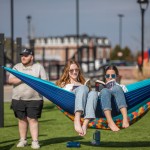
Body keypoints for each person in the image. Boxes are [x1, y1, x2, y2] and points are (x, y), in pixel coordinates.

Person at [8, 48, 48, 149]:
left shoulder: (39, 67)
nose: (23, 57)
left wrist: (32, 80)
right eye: (22, 55)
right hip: (18, 99)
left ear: (32, 57)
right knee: (22, 120)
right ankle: (23, 140)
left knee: (33, 119)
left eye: (26, 55)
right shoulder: (16, 67)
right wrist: (24, 78)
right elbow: (11, 80)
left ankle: (35, 141)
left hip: (35, 99)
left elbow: (45, 82)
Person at [56, 60, 98, 136]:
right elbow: (60, 96)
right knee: (83, 88)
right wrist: (62, 87)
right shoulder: (64, 84)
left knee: (94, 93)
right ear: (67, 72)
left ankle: (85, 125)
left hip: (85, 107)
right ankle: (77, 119)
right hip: (72, 105)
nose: (74, 72)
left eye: (76, 70)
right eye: (71, 70)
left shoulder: (82, 84)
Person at [98, 65, 129, 132]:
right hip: (104, 110)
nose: (110, 78)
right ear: (105, 77)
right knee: (105, 91)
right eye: (107, 76)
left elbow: (127, 96)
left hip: (118, 109)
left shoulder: (121, 87)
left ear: (117, 76)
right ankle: (110, 122)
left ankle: (125, 118)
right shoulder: (103, 88)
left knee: (116, 88)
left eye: (113, 76)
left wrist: (116, 87)